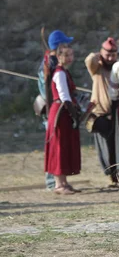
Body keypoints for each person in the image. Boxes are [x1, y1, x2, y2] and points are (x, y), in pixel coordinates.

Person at [44, 41, 81, 195]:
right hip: (60, 112)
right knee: (59, 147)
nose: (69, 58)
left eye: (71, 54)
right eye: (66, 55)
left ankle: (64, 182)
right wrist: (74, 115)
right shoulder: (59, 73)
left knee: (64, 146)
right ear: (59, 56)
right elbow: (64, 96)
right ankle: (59, 184)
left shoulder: (64, 72)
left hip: (64, 112)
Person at [37, 30, 72, 190]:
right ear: (60, 46)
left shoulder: (50, 62)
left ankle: (57, 182)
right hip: (53, 110)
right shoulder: (49, 64)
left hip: (54, 110)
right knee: (54, 147)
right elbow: (48, 90)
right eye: (65, 43)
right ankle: (53, 183)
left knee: (57, 146)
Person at [85, 37, 119, 187]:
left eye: (113, 55)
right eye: (107, 55)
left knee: (116, 146)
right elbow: (89, 59)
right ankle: (111, 175)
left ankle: (117, 175)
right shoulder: (97, 68)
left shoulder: (118, 67)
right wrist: (100, 53)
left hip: (116, 115)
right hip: (100, 115)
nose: (110, 58)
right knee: (106, 147)